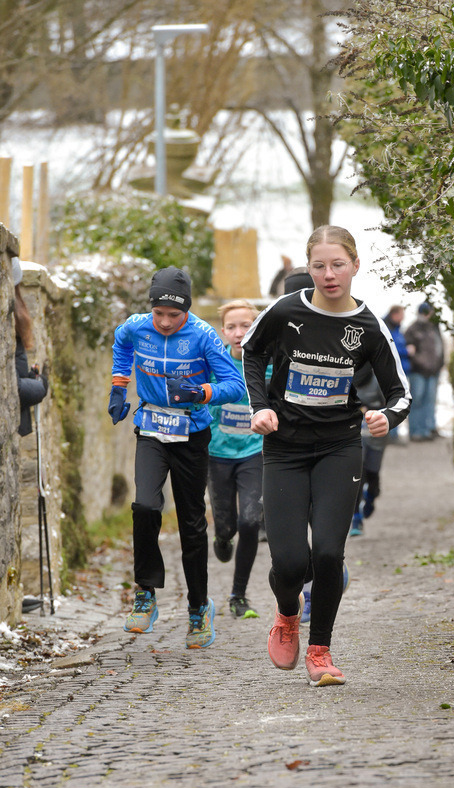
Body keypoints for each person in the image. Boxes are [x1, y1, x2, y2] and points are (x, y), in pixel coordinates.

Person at [241, 225, 411, 686]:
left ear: (356, 265)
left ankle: (320, 651)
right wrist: (260, 407)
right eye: (319, 265)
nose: (329, 274)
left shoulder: (368, 326)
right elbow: (250, 352)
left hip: (339, 447)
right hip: (285, 449)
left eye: (338, 264)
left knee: (330, 553)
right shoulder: (285, 310)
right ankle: (286, 613)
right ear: (309, 267)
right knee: (292, 561)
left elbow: (401, 393)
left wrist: (386, 419)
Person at [109, 266, 246, 648]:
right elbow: (120, 346)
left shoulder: (202, 336)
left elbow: (233, 385)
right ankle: (146, 594)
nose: (166, 322)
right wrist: (119, 388)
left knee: (191, 524)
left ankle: (199, 608)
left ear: (187, 311)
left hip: (191, 434)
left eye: (175, 315)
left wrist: (201, 393)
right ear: (150, 309)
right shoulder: (135, 326)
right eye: (160, 314)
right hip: (152, 427)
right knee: (145, 506)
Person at [207, 299, 267, 620]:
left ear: (256, 327)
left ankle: (238, 595)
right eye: (232, 327)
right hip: (217, 455)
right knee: (227, 524)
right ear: (223, 332)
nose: (239, 332)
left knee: (250, 520)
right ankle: (220, 535)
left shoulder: (267, 366)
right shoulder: (215, 365)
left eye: (245, 325)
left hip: (253, 453)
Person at [349, 362, 388, 537]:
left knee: (372, 472)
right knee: (357, 474)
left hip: (376, 435)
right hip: (355, 435)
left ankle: (372, 493)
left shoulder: (378, 379)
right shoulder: (344, 378)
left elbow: (391, 402)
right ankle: (356, 518)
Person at [13, 258, 48, 437]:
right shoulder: (10, 319)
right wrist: (40, 385)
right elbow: (14, 388)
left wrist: (30, 376)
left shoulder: (14, 320)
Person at [404, 301, 444, 441]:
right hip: (418, 371)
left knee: (429, 401)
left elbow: (439, 349)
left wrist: (439, 364)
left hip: (433, 371)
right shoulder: (412, 329)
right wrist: (422, 363)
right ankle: (416, 432)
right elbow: (410, 352)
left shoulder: (433, 328)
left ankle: (427, 430)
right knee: (417, 401)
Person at [383, 304, 410, 446]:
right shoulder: (385, 327)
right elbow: (391, 349)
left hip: (400, 372)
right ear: (394, 314)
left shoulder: (397, 329)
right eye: (402, 315)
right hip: (388, 372)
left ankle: (392, 434)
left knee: (398, 402)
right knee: (391, 402)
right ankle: (389, 434)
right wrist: (407, 351)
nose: (403, 318)